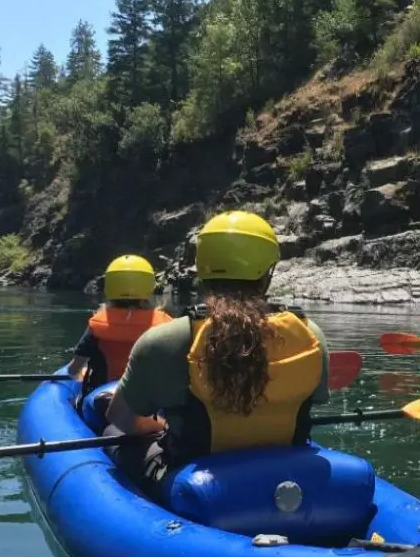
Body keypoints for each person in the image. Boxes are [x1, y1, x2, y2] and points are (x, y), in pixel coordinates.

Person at [103, 210, 332, 498]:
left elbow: (123, 418)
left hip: (201, 486)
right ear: (268, 272)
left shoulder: (165, 340)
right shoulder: (311, 335)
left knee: (112, 433)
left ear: (201, 268)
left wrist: (160, 424)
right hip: (288, 481)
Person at [66, 254, 173, 426]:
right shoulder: (166, 323)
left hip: (103, 400)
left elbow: (74, 369)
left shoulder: (98, 324)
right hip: (151, 404)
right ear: (148, 285)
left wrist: (78, 375)